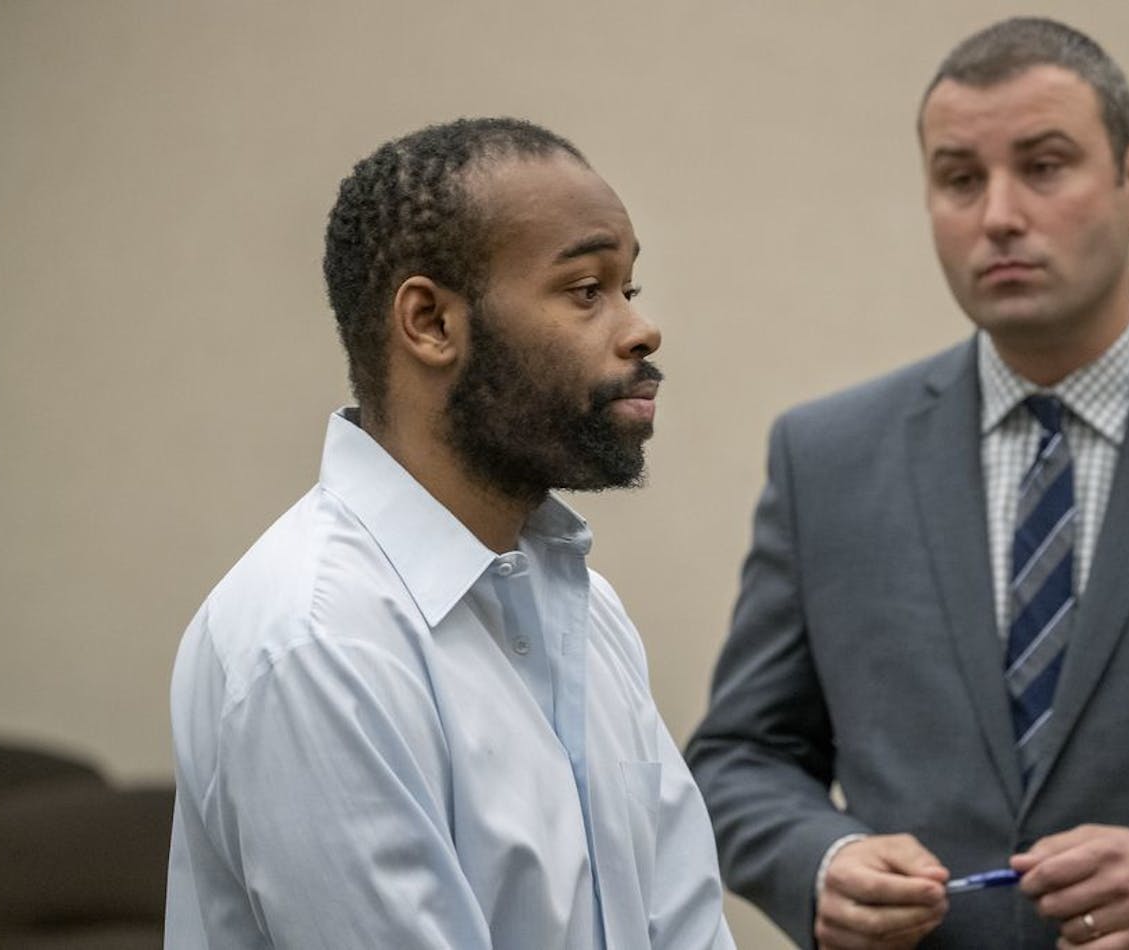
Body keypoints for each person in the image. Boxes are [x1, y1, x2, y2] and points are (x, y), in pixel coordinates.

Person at [686, 17, 1129, 950]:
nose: (999, 216)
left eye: (1045, 165)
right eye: (959, 178)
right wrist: (820, 861)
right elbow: (741, 757)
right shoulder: (825, 460)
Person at [165, 118, 735, 949]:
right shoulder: (316, 641)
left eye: (630, 290)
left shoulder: (583, 604)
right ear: (430, 323)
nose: (639, 330)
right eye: (587, 290)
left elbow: (685, 926)